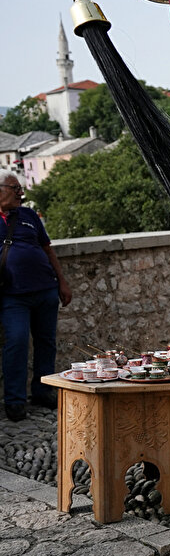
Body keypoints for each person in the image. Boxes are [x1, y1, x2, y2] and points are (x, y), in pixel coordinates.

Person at [0, 173, 72, 421]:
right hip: (13, 296)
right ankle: (15, 401)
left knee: (46, 343)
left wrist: (61, 281)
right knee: (17, 343)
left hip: (44, 290)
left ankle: (42, 391)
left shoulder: (29, 215)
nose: (21, 193)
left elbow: (46, 248)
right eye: (15, 188)